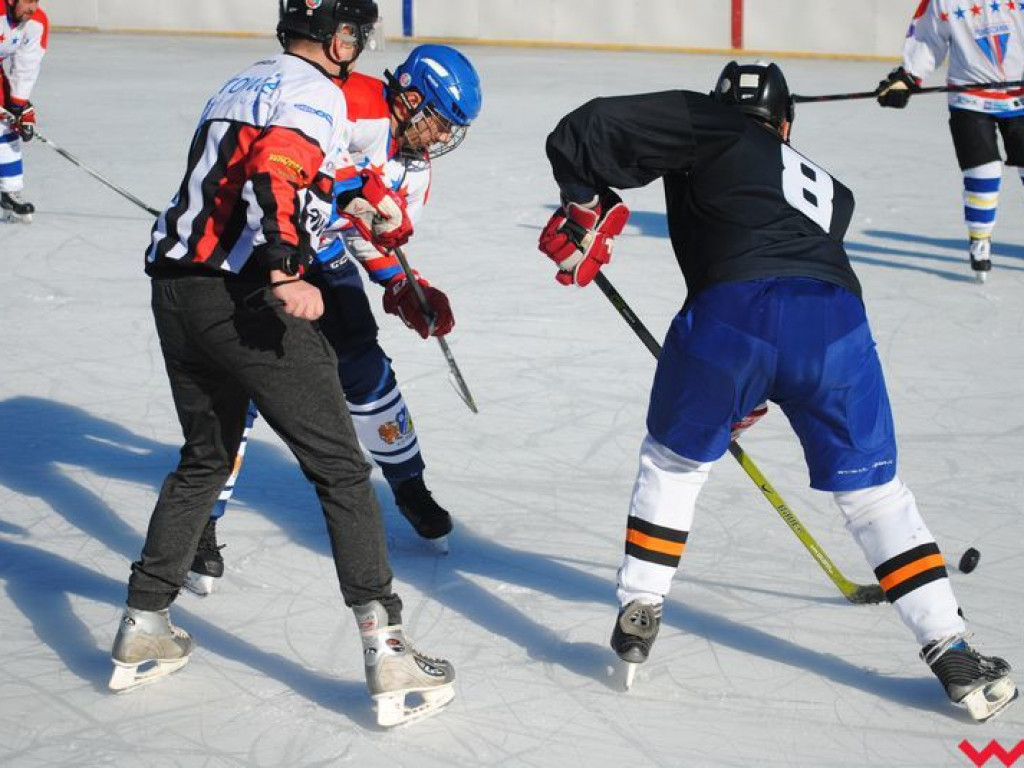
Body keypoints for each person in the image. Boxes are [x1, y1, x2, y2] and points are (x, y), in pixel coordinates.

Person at [537, 60, 1017, 721]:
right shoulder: (833, 193)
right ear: (785, 125)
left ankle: (641, 605)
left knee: (673, 465)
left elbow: (584, 129)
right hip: (837, 323)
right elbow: (779, 262)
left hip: (730, 317)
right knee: (876, 495)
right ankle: (951, 647)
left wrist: (585, 207)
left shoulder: (709, 123)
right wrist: (757, 387)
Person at [109, 0, 454, 729]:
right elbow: (279, 168)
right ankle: (389, 652)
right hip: (242, 296)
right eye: (357, 34)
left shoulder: (244, 81)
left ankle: (144, 625)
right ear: (338, 37)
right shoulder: (316, 91)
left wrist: (363, 196)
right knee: (341, 469)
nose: (360, 47)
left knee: (205, 458)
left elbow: (295, 167)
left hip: (174, 290)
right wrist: (285, 270)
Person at [184, 43, 482, 594]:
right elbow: (293, 163)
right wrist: (358, 188)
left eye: (452, 128)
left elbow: (369, 234)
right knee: (243, 382)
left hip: (321, 250)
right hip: (262, 246)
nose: (443, 136)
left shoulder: (416, 170)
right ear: (410, 98)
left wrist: (402, 283)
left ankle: (410, 487)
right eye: (440, 121)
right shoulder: (353, 100)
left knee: (366, 366)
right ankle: (203, 522)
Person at [876, 0, 1024, 282]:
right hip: (970, 98)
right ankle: (979, 238)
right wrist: (907, 77)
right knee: (983, 170)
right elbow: (928, 38)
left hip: (1020, 96)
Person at [0, 0, 47, 223]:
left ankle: (9, 192)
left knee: (7, 125)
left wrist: (18, 106)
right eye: (28, 0)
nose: (33, 7)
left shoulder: (36, 22)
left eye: (36, 1)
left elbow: (27, 66)